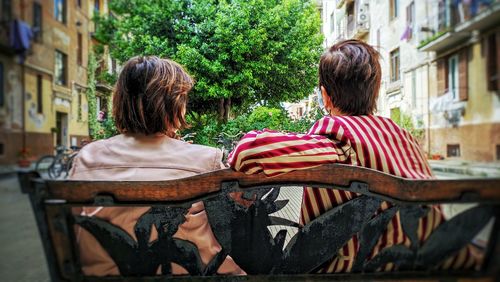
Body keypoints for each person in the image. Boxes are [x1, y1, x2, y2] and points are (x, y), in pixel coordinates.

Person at [228, 39, 478, 272]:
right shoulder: (403, 138)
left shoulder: (337, 139)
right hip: (435, 265)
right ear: (375, 92)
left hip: (357, 270)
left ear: (325, 96)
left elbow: (248, 151)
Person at [69, 56, 244, 276]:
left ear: (120, 101)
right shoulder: (205, 159)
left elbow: (72, 229)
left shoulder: (88, 157)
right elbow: (230, 229)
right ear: (174, 105)